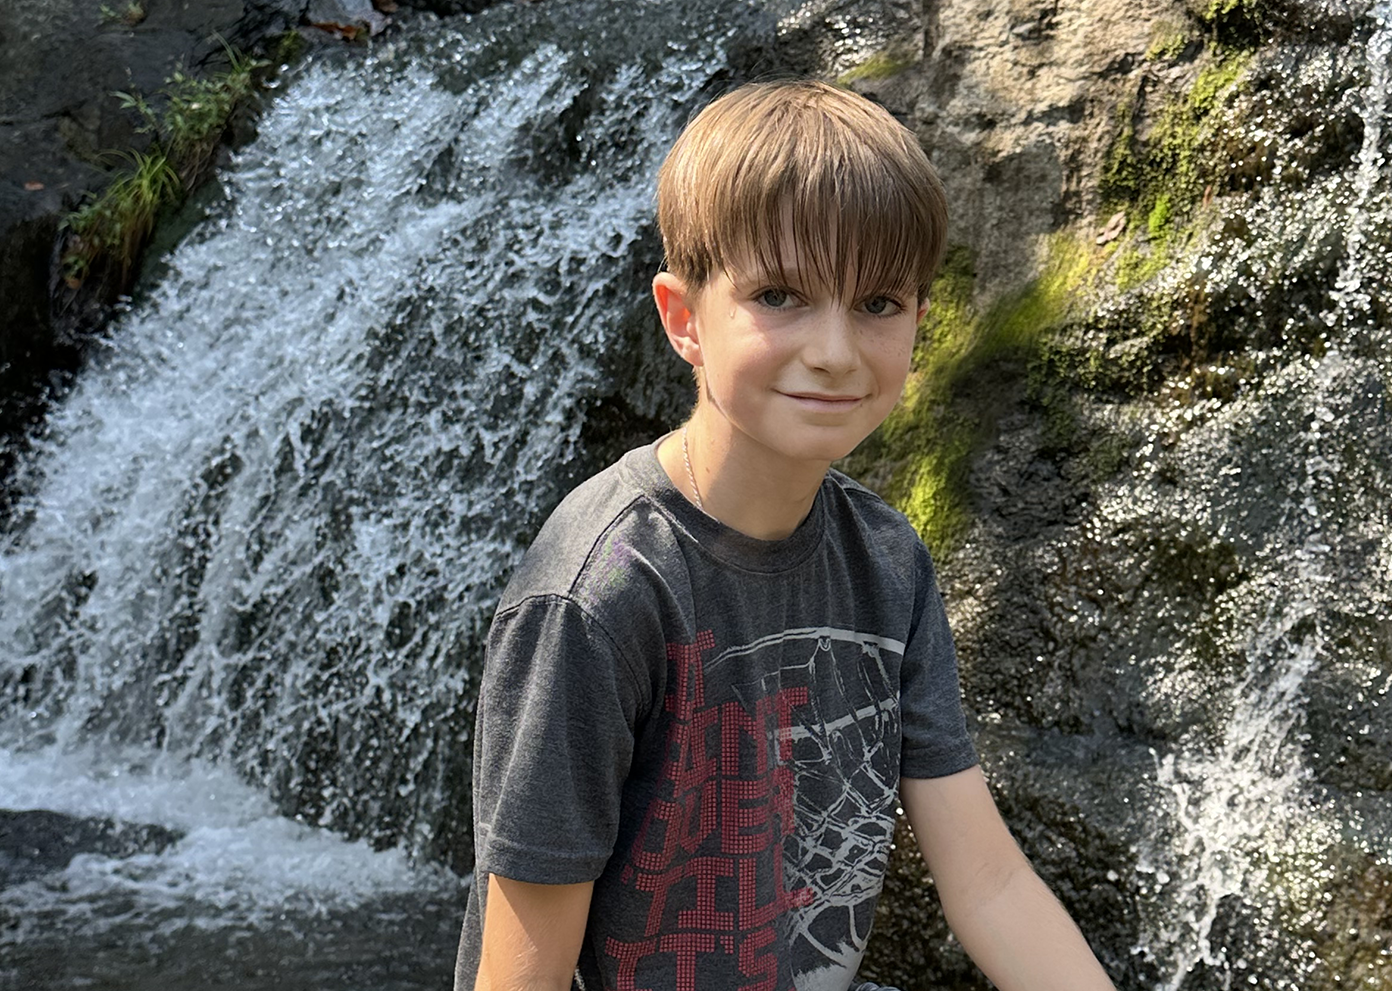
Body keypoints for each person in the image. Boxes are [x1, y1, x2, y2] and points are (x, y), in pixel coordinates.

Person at [455, 79, 1118, 991]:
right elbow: (519, 973)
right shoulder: (600, 591)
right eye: (780, 295)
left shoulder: (887, 560)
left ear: (920, 323)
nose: (835, 352)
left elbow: (991, 882)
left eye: (877, 303)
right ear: (684, 319)